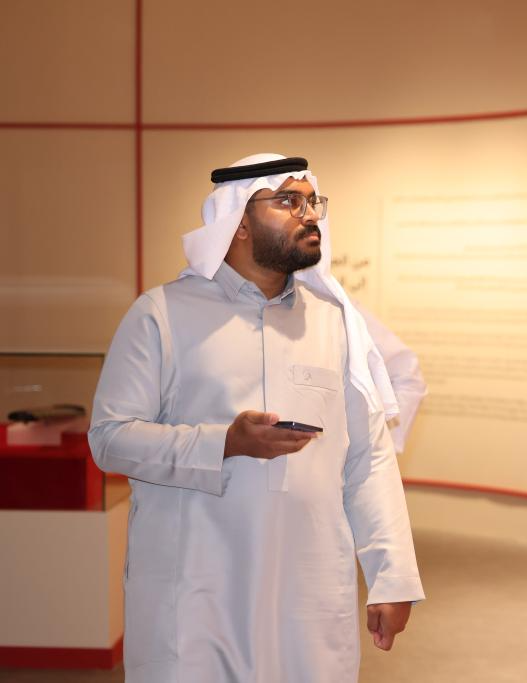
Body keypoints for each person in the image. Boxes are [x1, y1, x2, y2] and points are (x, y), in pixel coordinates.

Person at [89, 153, 424, 682]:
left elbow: (369, 458)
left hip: (308, 592)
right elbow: (110, 439)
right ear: (238, 221)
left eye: (311, 202)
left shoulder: (335, 324)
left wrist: (392, 576)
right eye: (288, 201)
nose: (308, 214)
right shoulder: (161, 315)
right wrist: (224, 443)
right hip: (197, 590)